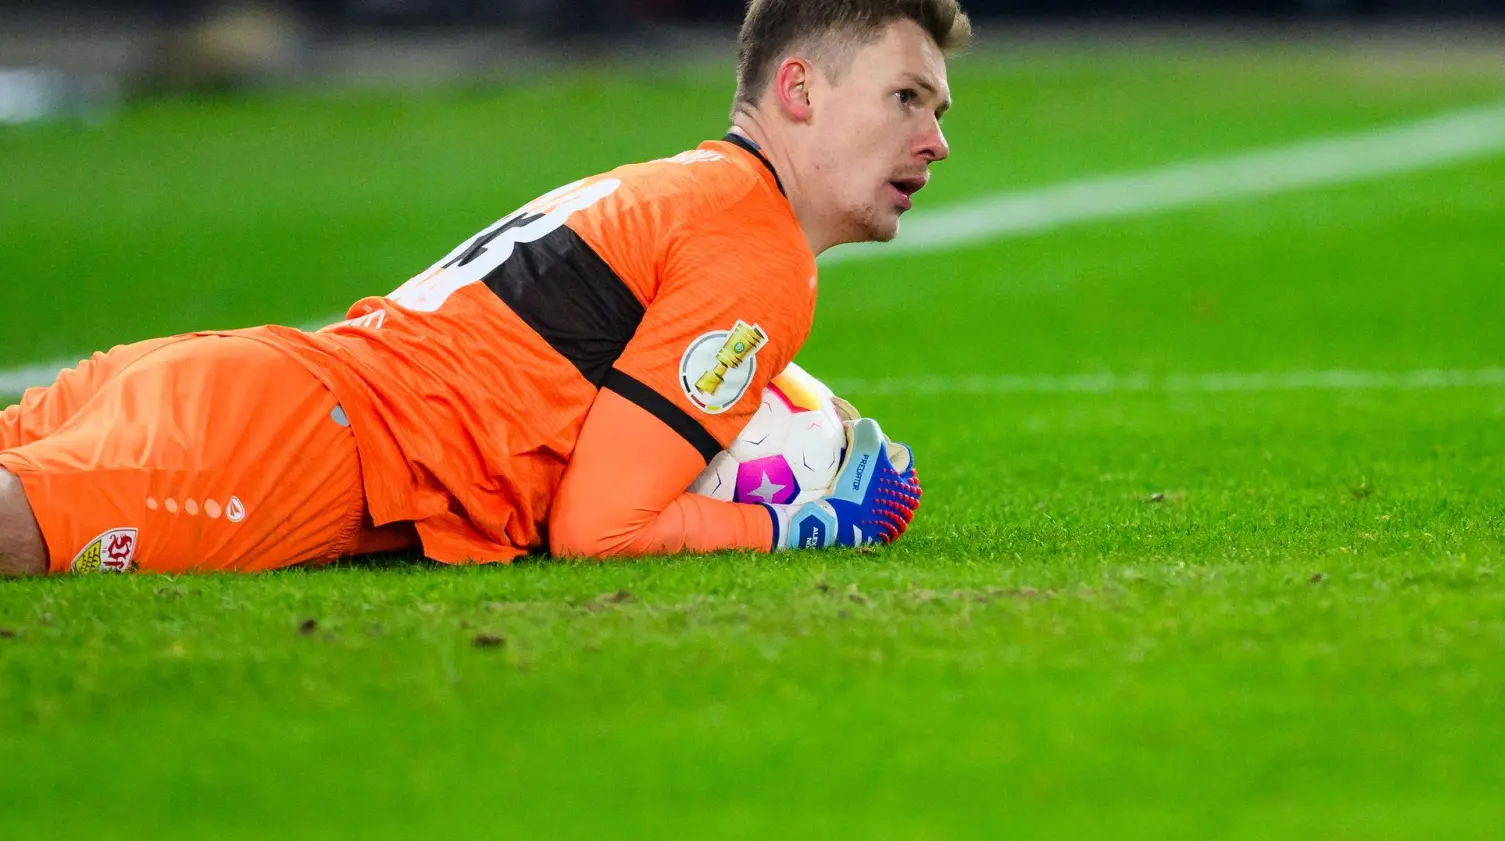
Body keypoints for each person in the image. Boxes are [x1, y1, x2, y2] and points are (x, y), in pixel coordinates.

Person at [0, 0, 967, 576]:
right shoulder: (754, 250)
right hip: (302, 446)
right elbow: (603, 528)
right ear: (798, 91)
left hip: (253, 385)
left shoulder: (693, 189)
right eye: (905, 98)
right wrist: (796, 522)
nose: (934, 139)